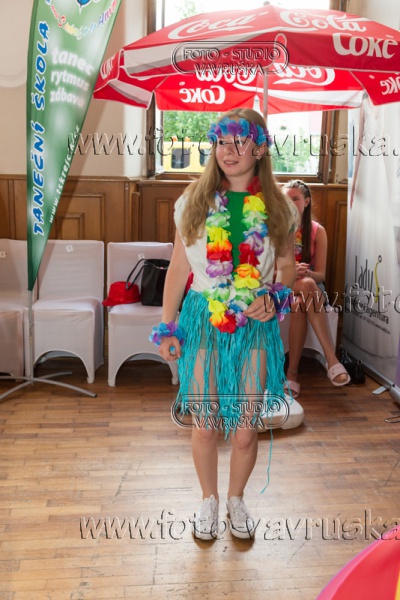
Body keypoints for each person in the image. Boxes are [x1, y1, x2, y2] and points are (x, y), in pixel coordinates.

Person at [150, 108, 297, 541]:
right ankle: (208, 500)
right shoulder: (191, 202)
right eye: (221, 142)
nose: (228, 151)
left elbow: (288, 267)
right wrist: (167, 326)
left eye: (239, 142)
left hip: (254, 324)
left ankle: (236, 499)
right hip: (203, 319)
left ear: (260, 148)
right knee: (205, 422)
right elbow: (178, 269)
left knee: (247, 429)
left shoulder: (280, 208)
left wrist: (275, 295)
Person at [283, 180, 350, 399]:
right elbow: (268, 273)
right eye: (286, 199)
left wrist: (307, 273)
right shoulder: (274, 228)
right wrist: (291, 271)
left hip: (311, 290)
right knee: (304, 287)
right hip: (283, 285)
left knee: (302, 300)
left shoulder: (317, 231)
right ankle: (332, 360)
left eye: (295, 199)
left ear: (306, 202)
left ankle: (292, 375)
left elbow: (321, 275)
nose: (290, 203)